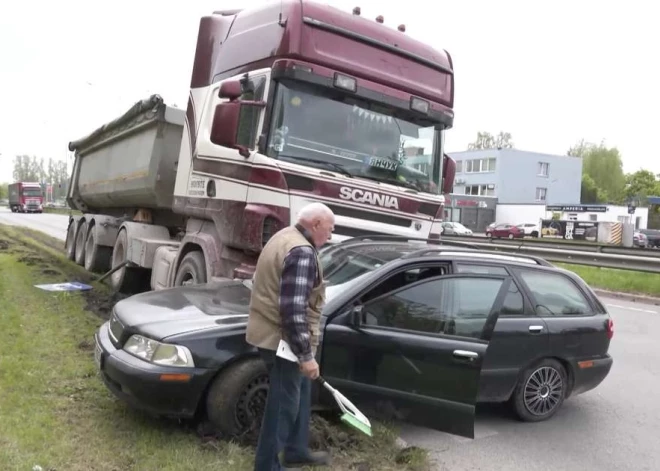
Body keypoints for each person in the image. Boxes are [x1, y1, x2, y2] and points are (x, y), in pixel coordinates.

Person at [245, 202, 335, 471]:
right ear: (316, 224)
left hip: (270, 332)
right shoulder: (302, 253)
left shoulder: (284, 236)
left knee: (302, 390)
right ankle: (267, 466)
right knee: (284, 404)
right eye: (329, 230)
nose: (330, 237)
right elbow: (293, 311)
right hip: (282, 340)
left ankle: (295, 450)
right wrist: (306, 355)